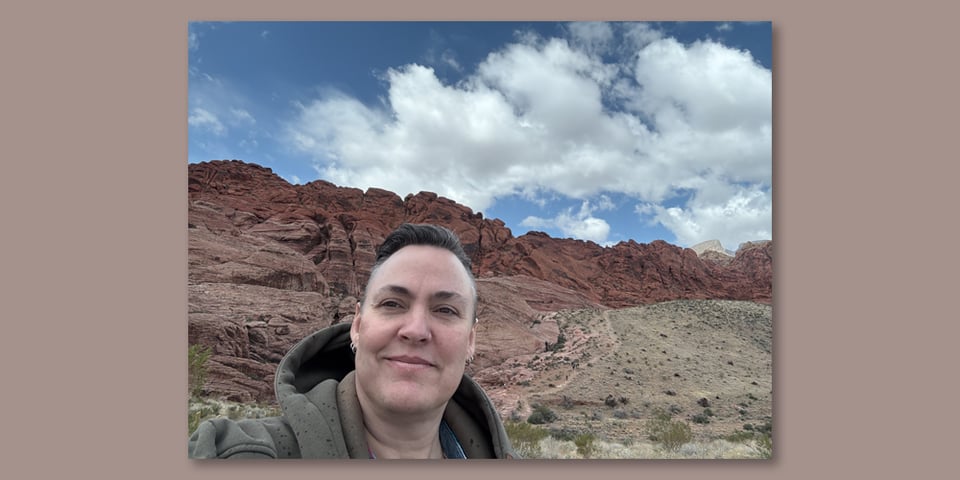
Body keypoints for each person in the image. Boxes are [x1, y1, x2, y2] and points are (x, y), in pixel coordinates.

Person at [189, 223, 518, 459]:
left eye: (445, 310)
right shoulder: (242, 453)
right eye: (392, 304)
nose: (416, 330)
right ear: (357, 325)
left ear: (471, 340)